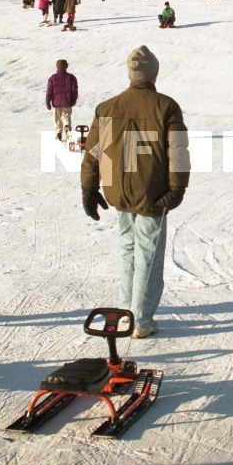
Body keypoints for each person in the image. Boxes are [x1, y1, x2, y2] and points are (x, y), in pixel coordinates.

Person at [80, 46, 190, 339]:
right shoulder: (166, 106)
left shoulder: (107, 107)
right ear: (154, 74)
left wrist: (89, 188)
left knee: (128, 249)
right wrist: (177, 187)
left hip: (119, 191)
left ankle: (126, 312)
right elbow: (177, 149)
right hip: (154, 192)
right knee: (147, 254)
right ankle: (140, 320)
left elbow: (93, 153)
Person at [46, 59, 78, 140]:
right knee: (66, 116)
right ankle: (67, 127)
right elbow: (74, 89)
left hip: (56, 102)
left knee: (57, 118)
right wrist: (74, 99)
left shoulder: (52, 78)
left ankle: (58, 133)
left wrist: (48, 100)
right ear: (66, 66)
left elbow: (50, 90)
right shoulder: (71, 77)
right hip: (67, 101)